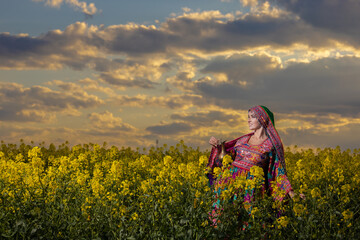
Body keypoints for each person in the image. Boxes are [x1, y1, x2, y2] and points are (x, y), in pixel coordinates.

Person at [207, 105, 303, 226]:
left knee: (247, 227)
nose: (248, 120)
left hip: (251, 192)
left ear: (262, 119)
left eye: (252, 117)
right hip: (228, 189)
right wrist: (217, 147)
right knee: (223, 226)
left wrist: (292, 194)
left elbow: (278, 172)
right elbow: (223, 161)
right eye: (248, 117)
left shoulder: (271, 146)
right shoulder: (242, 141)